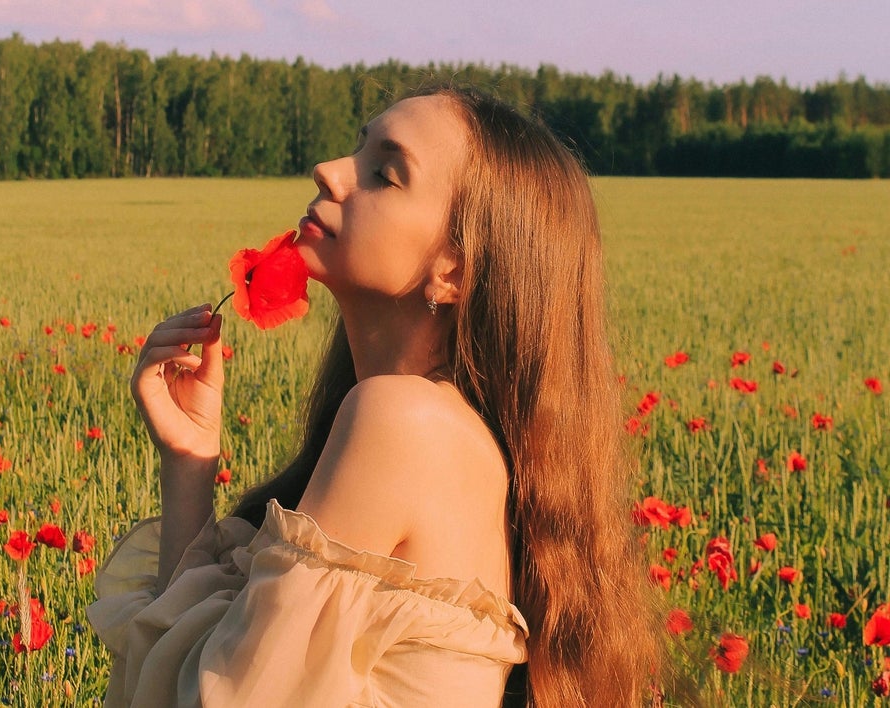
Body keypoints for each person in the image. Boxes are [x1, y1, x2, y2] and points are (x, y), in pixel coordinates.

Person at [88, 86, 661, 707]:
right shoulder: (429, 423)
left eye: (384, 173)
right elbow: (210, 672)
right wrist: (190, 459)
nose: (328, 172)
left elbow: (211, 696)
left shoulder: (402, 421)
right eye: (355, 150)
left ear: (454, 269)